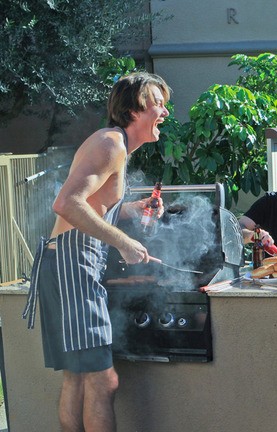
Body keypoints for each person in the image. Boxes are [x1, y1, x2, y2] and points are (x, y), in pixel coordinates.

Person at [22, 72, 171, 431]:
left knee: (77, 377)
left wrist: (130, 209)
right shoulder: (110, 144)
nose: (165, 111)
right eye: (157, 103)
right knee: (104, 381)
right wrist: (125, 242)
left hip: (65, 261)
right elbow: (67, 204)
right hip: (73, 263)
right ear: (134, 109)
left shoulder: (113, 144)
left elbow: (91, 205)